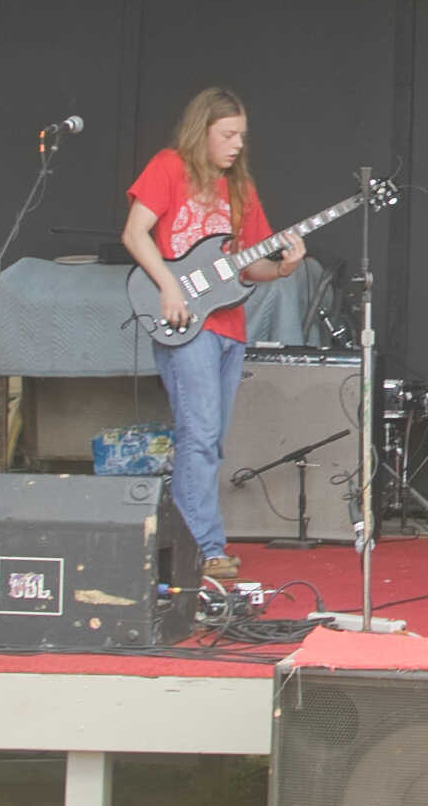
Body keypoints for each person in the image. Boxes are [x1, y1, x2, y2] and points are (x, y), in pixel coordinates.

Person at [122, 88, 306, 582]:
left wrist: (284, 268)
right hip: (188, 323)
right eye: (227, 134)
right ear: (201, 130)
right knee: (200, 436)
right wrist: (168, 287)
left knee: (210, 440)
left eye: (241, 136)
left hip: (230, 327)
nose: (237, 145)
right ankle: (202, 547)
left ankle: (185, 541)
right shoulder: (169, 167)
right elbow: (134, 233)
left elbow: (250, 267)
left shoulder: (240, 189)